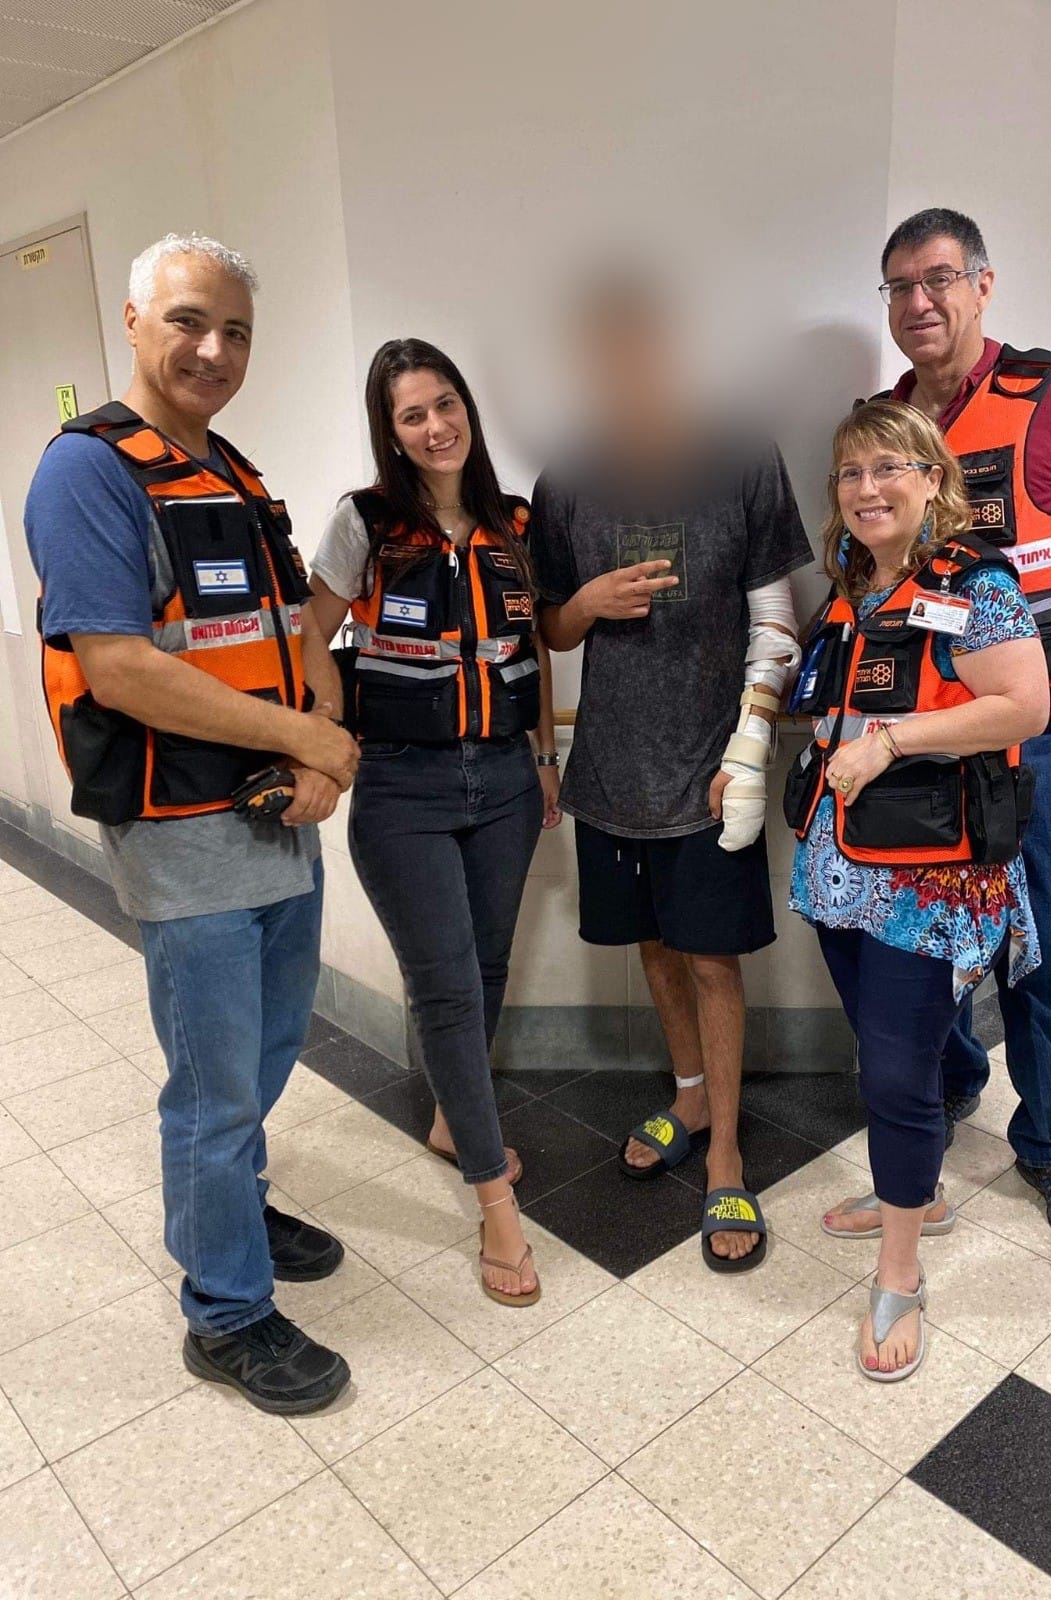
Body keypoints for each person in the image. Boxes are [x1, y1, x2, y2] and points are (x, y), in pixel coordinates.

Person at [25, 233, 361, 1414]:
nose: (213, 350)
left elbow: (289, 630)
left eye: (236, 331)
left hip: (280, 814)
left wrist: (320, 734)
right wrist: (304, 741)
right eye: (187, 322)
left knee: (266, 1051)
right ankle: (226, 1312)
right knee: (213, 1085)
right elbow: (119, 668)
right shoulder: (86, 475)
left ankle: (234, 1204)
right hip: (186, 829)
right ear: (132, 319)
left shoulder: (229, 469)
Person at [856, 207, 1051, 1252]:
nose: (918, 303)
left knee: (1041, 954)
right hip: (920, 746)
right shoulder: (883, 424)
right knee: (924, 947)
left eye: (938, 279)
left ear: (984, 284)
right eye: (897, 287)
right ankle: (950, 1086)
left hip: (1030, 743)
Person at [532, 274, 810, 1271]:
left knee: (712, 958)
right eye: (607, 351)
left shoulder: (739, 455)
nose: (627, 367)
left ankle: (728, 1150)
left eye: (642, 345)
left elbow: (778, 617)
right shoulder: (568, 478)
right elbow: (549, 624)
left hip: (710, 772)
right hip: (613, 769)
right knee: (652, 945)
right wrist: (590, 602)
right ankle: (688, 1096)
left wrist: (744, 751)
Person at [792, 400, 1048, 1379]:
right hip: (840, 865)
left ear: (933, 478)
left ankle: (901, 1268)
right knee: (889, 1049)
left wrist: (893, 741)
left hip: (927, 878)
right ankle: (922, 1190)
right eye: (851, 474)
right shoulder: (851, 589)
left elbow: (1020, 704)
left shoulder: (976, 583)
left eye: (889, 468)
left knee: (895, 1073)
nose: (868, 489)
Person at [308, 338, 560, 1307]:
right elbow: (309, 632)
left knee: (487, 964)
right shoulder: (364, 521)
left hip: (499, 775)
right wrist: (327, 734)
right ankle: (494, 1205)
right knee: (448, 988)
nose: (434, 425)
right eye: (411, 414)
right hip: (403, 788)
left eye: (444, 402)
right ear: (393, 433)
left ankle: (459, 1121)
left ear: (467, 406)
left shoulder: (514, 521)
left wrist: (541, 762)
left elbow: (531, 646)